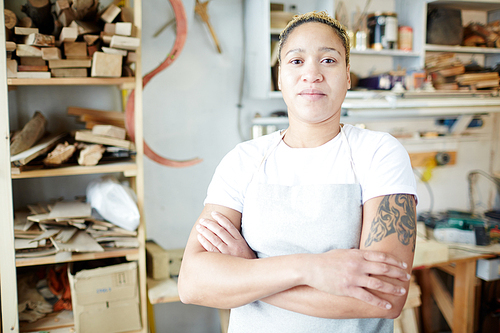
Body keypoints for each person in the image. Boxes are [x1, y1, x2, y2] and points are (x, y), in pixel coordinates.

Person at [178, 11, 418, 333]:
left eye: (329, 61)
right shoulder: (244, 160)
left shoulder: (378, 153)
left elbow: (384, 296)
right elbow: (193, 283)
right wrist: (309, 269)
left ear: (347, 76)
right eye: (296, 61)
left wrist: (250, 271)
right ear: (279, 78)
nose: (312, 74)